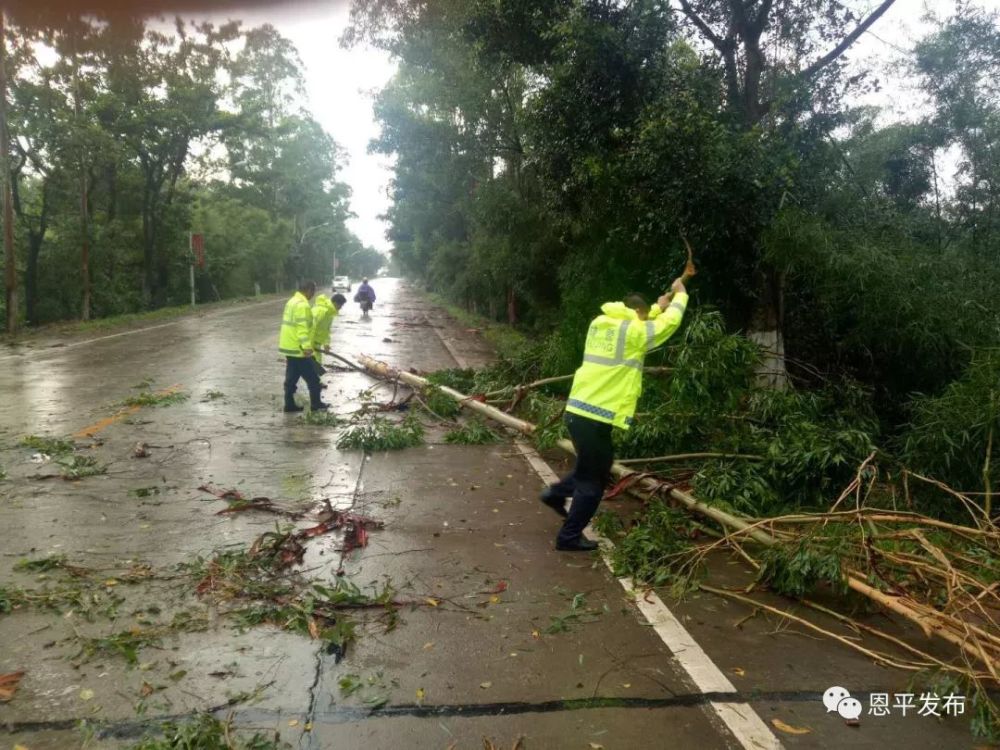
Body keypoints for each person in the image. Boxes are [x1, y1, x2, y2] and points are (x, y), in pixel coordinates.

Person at [540, 278, 689, 551]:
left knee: (596, 465)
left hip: (578, 411)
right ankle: (569, 537)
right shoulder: (634, 333)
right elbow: (667, 326)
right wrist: (680, 297)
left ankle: (556, 494)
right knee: (593, 482)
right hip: (594, 418)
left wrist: (658, 306)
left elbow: (640, 323)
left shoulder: (601, 322)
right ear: (639, 316)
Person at [278, 280, 327, 413]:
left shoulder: (292, 301)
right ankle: (316, 405)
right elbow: (302, 328)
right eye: (313, 292)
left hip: (289, 346)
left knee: (291, 379)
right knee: (313, 379)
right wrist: (306, 347)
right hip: (298, 349)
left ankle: (289, 405)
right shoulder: (302, 305)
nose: (313, 295)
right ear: (309, 290)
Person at [310, 292, 347, 371]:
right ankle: (316, 383)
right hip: (310, 345)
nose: (341, 307)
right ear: (335, 303)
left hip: (316, 345)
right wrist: (309, 346)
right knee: (311, 369)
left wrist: (326, 344)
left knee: (316, 366)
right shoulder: (321, 311)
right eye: (341, 305)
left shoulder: (330, 314)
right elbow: (311, 328)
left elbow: (326, 330)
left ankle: (316, 382)